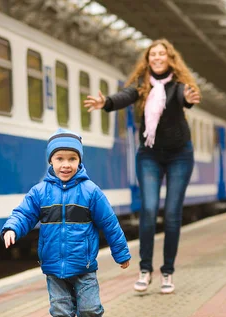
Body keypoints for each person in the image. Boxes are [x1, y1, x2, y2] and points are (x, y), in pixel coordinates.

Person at [1, 129, 131, 317]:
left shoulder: (90, 191)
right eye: (60, 159)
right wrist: (12, 228)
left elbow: (110, 224)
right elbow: (23, 214)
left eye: (72, 159)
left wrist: (120, 253)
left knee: (89, 309)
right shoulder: (39, 192)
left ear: (80, 161)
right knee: (60, 314)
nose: (66, 165)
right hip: (53, 267)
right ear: (50, 160)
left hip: (84, 265)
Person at [84, 38, 201, 295]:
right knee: (148, 210)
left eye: (162, 54)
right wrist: (106, 103)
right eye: (153, 55)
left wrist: (190, 99)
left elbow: (186, 96)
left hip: (180, 155)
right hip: (149, 155)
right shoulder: (142, 87)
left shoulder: (180, 87)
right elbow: (125, 96)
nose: (157, 58)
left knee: (172, 215)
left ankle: (167, 272)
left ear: (170, 59)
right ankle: (145, 269)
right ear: (148, 60)